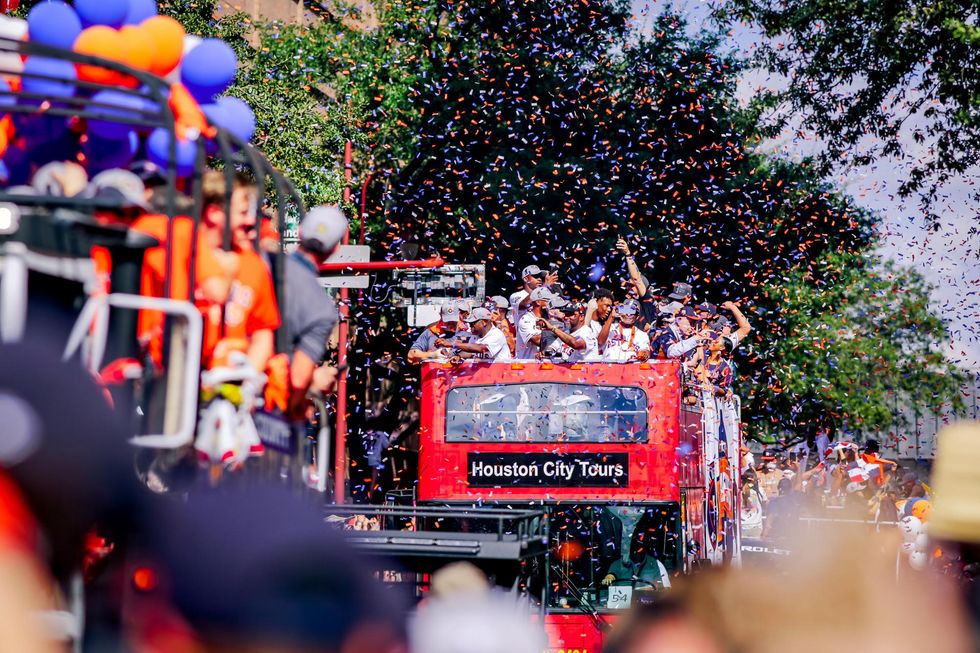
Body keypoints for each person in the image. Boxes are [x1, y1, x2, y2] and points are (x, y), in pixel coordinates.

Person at [197, 171, 281, 373]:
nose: (251, 220)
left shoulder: (253, 263)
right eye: (243, 212)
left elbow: (263, 333)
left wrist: (247, 382)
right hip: (171, 382)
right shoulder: (181, 245)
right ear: (214, 213)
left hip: (228, 387)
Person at [276, 206, 344, 419]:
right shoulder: (322, 309)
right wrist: (315, 380)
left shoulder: (260, 264)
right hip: (265, 412)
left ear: (300, 233)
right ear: (334, 250)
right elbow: (297, 380)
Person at [602, 550, 672, 590]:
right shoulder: (617, 564)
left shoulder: (655, 564)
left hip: (648, 609)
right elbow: (612, 574)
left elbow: (666, 590)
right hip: (620, 610)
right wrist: (609, 577)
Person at [515, 286, 552, 359]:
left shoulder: (548, 319)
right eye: (548, 301)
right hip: (527, 365)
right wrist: (556, 330)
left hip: (545, 366)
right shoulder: (526, 320)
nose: (550, 304)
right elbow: (538, 341)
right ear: (538, 302)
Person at [589, 287, 617, 354]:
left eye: (610, 307)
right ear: (595, 302)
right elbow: (600, 343)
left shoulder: (605, 323)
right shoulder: (585, 323)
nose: (609, 309)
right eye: (606, 305)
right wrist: (611, 318)